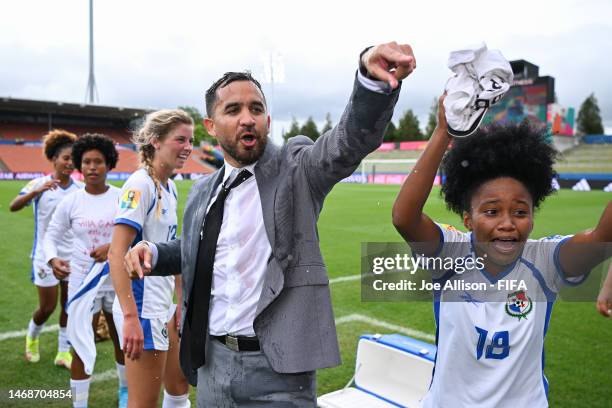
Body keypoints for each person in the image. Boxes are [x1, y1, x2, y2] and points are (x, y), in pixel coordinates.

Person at [123, 42, 416, 406]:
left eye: (256, 109)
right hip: (212, 364)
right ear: (212, 126)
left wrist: (371, 81)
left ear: (267, 121)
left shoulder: (296, 170)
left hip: (279, 370)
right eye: (233, 110)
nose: (248, 118)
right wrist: (152, 250)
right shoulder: (201, 192)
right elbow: (195, 250)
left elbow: (347, 143)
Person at [392, 96, 612, 407]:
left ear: (533, 217)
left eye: (520, 212)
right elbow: (404, 217)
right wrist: (443, 132)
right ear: (468, 219)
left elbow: (604, 236)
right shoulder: (449, 255)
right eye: (492, 212)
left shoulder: (546, 261)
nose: (507, 224)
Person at [108, 109, 193, 408]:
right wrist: (130, 317)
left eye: (190, 140)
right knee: (143, 402)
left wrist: (180, 301)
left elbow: (174, 249)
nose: (188, 147)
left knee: (179, 386)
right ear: (156, 142)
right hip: (142, 309)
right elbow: (116, 252)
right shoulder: (139, 185)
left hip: (165, 305)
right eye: (180, 139)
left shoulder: (170, 186)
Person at [43, 134, 127, 407]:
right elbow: (51, 236)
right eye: (87, 162)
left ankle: (126, 394)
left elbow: (137, 235)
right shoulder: (71, 202)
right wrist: (53, 259)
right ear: (79, 165)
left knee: (123, 341)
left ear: (109, 164)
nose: (92, 167)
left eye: (98, 162)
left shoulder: (122, 197)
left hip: (116, 279)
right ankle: (80, 404)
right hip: (81, 281)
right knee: (80, 341)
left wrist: (112, 246)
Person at [9, 129, 82, 369]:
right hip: (44, 257)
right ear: (54, 159)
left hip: (71, 257)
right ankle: (32, 337)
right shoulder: (38, 184)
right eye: (65, 158)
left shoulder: (79, 189)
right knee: (47, 307)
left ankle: (63, 352)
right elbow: (14, 206)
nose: (70, 163)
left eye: (73, 159)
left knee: (69, 306)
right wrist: (36, 191)